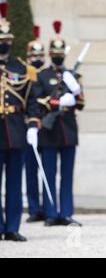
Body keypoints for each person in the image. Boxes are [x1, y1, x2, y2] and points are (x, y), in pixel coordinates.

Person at [29, 21, 84, 227]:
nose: (58, 56)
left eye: (61, 53)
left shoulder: (72, 75)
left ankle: (66, 212)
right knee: (49, 174)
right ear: (50, 54)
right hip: (49, 130)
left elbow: (81, 103)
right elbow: (35, 101)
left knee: (67, 175)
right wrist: (57, 102)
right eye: (55, 53)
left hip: (68, 130)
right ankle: (51, 212)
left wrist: (75, 92)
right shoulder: (42, 75)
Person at [0, 2, 40, 241]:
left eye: (6, 39)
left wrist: (33, 124)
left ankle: (12, 227)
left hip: (15, 132)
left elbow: (32, 100)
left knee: (14, 185)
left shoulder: (22, 69)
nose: (4, 43)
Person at [24, 25, 46, 223]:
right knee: (30, 169)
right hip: (29, 126)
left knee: (46, 169)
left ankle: (47, 207)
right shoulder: (27, 74)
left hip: (46, 128)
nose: (38, 58)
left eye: (41, 54)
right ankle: (33, 207)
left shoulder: (48, 75)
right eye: (35, 55)